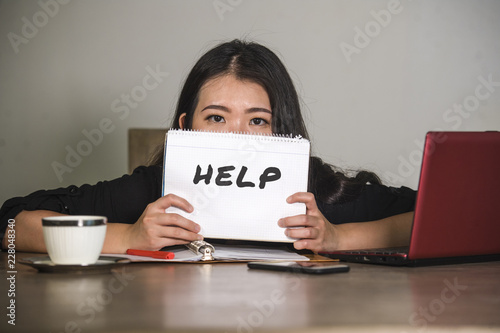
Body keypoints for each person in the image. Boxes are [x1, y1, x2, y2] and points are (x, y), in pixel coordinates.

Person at [0, 39, 416, 254]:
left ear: (282, 134)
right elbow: (12, 224)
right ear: (186, 127)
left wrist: (340, 238)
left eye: (257, 120)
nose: (236, 136)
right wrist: (128, 235)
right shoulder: (153, 192)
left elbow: (432, 217)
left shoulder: (314, 193)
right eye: (216, 117)